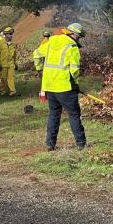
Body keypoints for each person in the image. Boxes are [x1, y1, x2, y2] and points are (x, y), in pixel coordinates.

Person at [35, 23, 86, 151]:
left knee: (54, 114)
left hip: (49, 86)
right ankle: (81, 144)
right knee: (74, 114)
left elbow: (36, 54)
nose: (79, 39)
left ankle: (50, 144)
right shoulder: (72, 47)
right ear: (73, 34)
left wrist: (40, 69)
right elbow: (74, 70)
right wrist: (75, 84)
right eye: (79, 36)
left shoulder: (51, 40)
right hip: (64, 87)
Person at [0, 26, 17, 96]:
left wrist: (15, 64)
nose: (11, 36)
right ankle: (3, 90)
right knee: (3, 78)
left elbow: (14, 56)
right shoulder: (0, 43)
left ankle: (12, 91)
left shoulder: (12, 45)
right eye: (10, 34)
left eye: (12, 34)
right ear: (6, 35)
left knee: (11, 78)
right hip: (3, 65)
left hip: (10, 64)